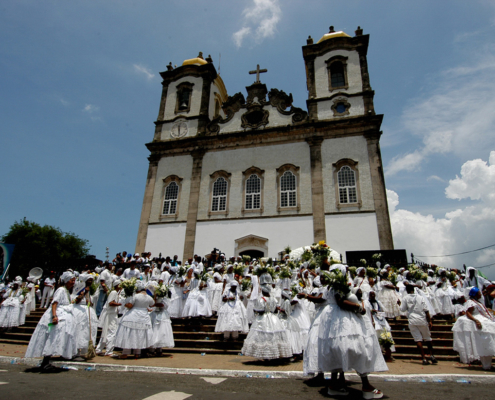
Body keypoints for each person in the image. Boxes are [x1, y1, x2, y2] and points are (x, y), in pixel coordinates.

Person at [318, 269, 388, 398]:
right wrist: (359, 308)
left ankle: (334, 384)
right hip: (344, 319)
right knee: (358, 348)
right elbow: (341, 302)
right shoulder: (337, 285)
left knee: (338, 348)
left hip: (336, 319)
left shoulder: (334, 286)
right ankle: (365, 386)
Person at [25, 272, 78, 370]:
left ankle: (46, 361)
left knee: (54, 338)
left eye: (74, 280)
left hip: (62, 316)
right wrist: (54, 316)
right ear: (66, 281)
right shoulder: (61, 290)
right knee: (51, 337)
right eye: (72, 280)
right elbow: (54, 303)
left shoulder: (66, 291)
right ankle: (45, 362)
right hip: (57, 316)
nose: (73, 283)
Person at [241, 285, 292, 360]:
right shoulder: (274, 299)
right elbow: (275, 310)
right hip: (273, 318)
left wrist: (256, 310)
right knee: (271, 336)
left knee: (262, 336)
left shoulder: (262, 299)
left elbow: (261, 310)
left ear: (263, 292)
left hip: (263, 318)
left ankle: (265, 355)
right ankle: (272, 354)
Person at [453, 287, 495, 370]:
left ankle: (488, 364)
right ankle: (486, 365)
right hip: (480, 320)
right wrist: (476, 320)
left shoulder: (478, 302)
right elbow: (468, 313)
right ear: (475, 294)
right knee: (485, 343)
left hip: (485, 320)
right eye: (479, 292)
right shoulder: (471, 302)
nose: (481, 294)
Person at [114, 281, 154, 359]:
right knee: (140, 334)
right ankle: (137, 353)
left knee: (129, 334)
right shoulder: (149, 297)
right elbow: (152, 304)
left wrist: (124, 303)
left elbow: (130, 305)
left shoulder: (135, 296)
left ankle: (125, 353)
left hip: (134, 315)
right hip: (144, 316)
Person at [400, 284, 437, 365]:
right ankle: (432, 355)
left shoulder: (405, 298)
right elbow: (426, 310)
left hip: (412, 320)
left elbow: (402, 309)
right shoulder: (421, 297)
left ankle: (424, 358)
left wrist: (399, 303)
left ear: (406, 291)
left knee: (418, 339)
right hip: (422, 319)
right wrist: (430, 321)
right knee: (428, 338)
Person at [71, 274, 98, 360]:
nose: (90, 282)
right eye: (88, 280)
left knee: (87, 331)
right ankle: (76, 351)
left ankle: (84, 351)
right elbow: (76, 299)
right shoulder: (79, 288)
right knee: (79, 330)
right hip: (79, 312)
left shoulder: (89, 290)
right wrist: (84, 293)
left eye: (91, 280)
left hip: (87, 311)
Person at [96, 279, 122, 356]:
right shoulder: (114, 292)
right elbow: (111, 303)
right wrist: (119, 304)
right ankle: (109, 351)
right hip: (111, 315)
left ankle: (99, 349)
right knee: (112, 332)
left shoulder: (115, 293)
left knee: (106, 332)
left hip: (111, 314)